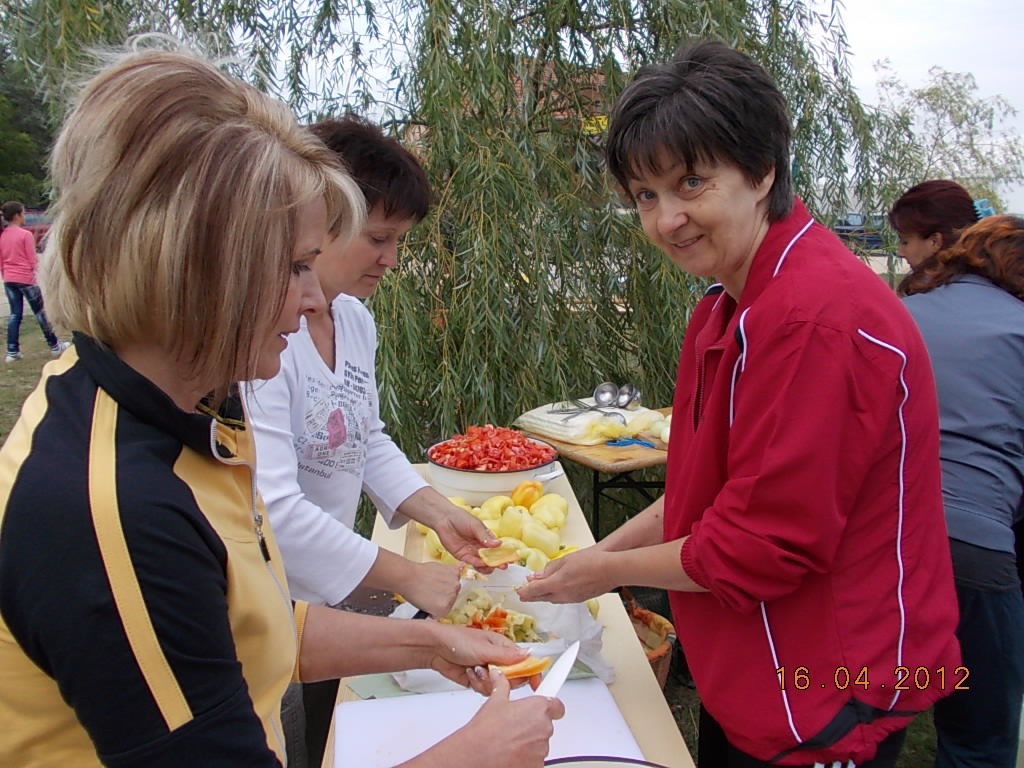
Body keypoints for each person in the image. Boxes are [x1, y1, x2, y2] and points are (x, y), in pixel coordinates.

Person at [0, 43, 562, 768]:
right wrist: (477, 755)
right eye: (297, 266)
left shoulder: (187, 417)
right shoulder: (116, 510)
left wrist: (428, 641)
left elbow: (251, 626)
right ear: (201, 267)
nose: (311, 297)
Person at [517, 39, 960, 767]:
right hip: (754, 673)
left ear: (761, 172)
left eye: (691, 183)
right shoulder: (725, 309)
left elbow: (760, 546)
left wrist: (603, 573)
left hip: (824, 686)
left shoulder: (817, 318)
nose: (666, 219)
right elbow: (702, 496)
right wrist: (595, 554)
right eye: (645, 196)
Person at [244, 115, 500, 767]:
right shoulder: (264, 342)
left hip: (328, 589)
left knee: (325, 718)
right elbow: (274, 511)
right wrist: (406, 576)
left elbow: (366, 438)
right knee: (283, 730)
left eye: (399, 241)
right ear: (321, 220)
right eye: (378, 238)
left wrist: (439, 513)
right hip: (268, 599)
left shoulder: (354, 319)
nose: (391, 259)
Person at [900, 215, 1024, 768]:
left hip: (886, 536)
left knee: (861, 698)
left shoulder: (901, 313)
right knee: (979, 734)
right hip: (976, 544)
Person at [0, 200, 69, 362]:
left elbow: (1, 260)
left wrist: (5, 276)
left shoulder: (3, 236)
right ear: (17, 216)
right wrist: (40, 278)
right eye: (23, 213)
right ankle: (54, 345)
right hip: (26, 278)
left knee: (15, 314)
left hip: (9, 279)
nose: (24, 216)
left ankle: (12, 351)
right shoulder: (25, 235)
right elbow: (32, 261)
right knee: (40, 313)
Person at [887, 179, 979, 291]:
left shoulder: (921, 300)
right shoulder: (994, 288)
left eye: (905, 242)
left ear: (935, 242)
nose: (900, 252)